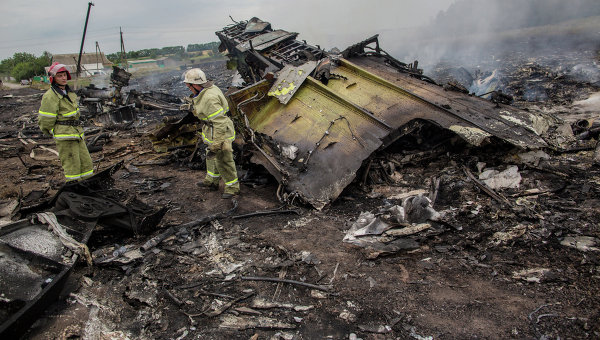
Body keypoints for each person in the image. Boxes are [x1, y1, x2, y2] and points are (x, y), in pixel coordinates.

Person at [183, 68, 240, 199]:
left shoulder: (210, 98)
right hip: (211, 130)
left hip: (220, 132)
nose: (188, 88)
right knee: (212, 157)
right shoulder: (208, 88)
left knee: (224, 160)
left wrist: (217, 143)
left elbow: (220, 122)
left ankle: (232, 188)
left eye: (189, 86)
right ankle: (211, 181)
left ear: (196, 84)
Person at [38, 62, 93, 181]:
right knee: (72, 167)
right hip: (65, 136)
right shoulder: (50, 96)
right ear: (53, 79)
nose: (63, 78)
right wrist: (53, 131)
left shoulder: (69, 93)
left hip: (77, 133)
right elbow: (46, 120)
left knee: (86, 163)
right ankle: (74, 191)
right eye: (59, 76)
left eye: (64, 75)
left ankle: (88, 187)